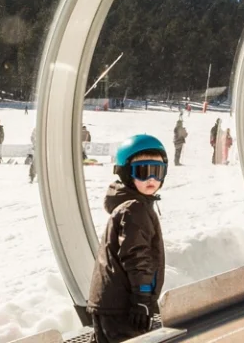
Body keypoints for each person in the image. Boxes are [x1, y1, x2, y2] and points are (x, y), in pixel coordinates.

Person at [87, 135, 168, 342]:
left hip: (111, 302)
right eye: (143, 171)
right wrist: (141, 298)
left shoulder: (134, 206)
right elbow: (136, 255)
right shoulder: (134, 209)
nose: (151, 179)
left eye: (157, 172)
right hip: (122, 305)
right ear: (126, 174)